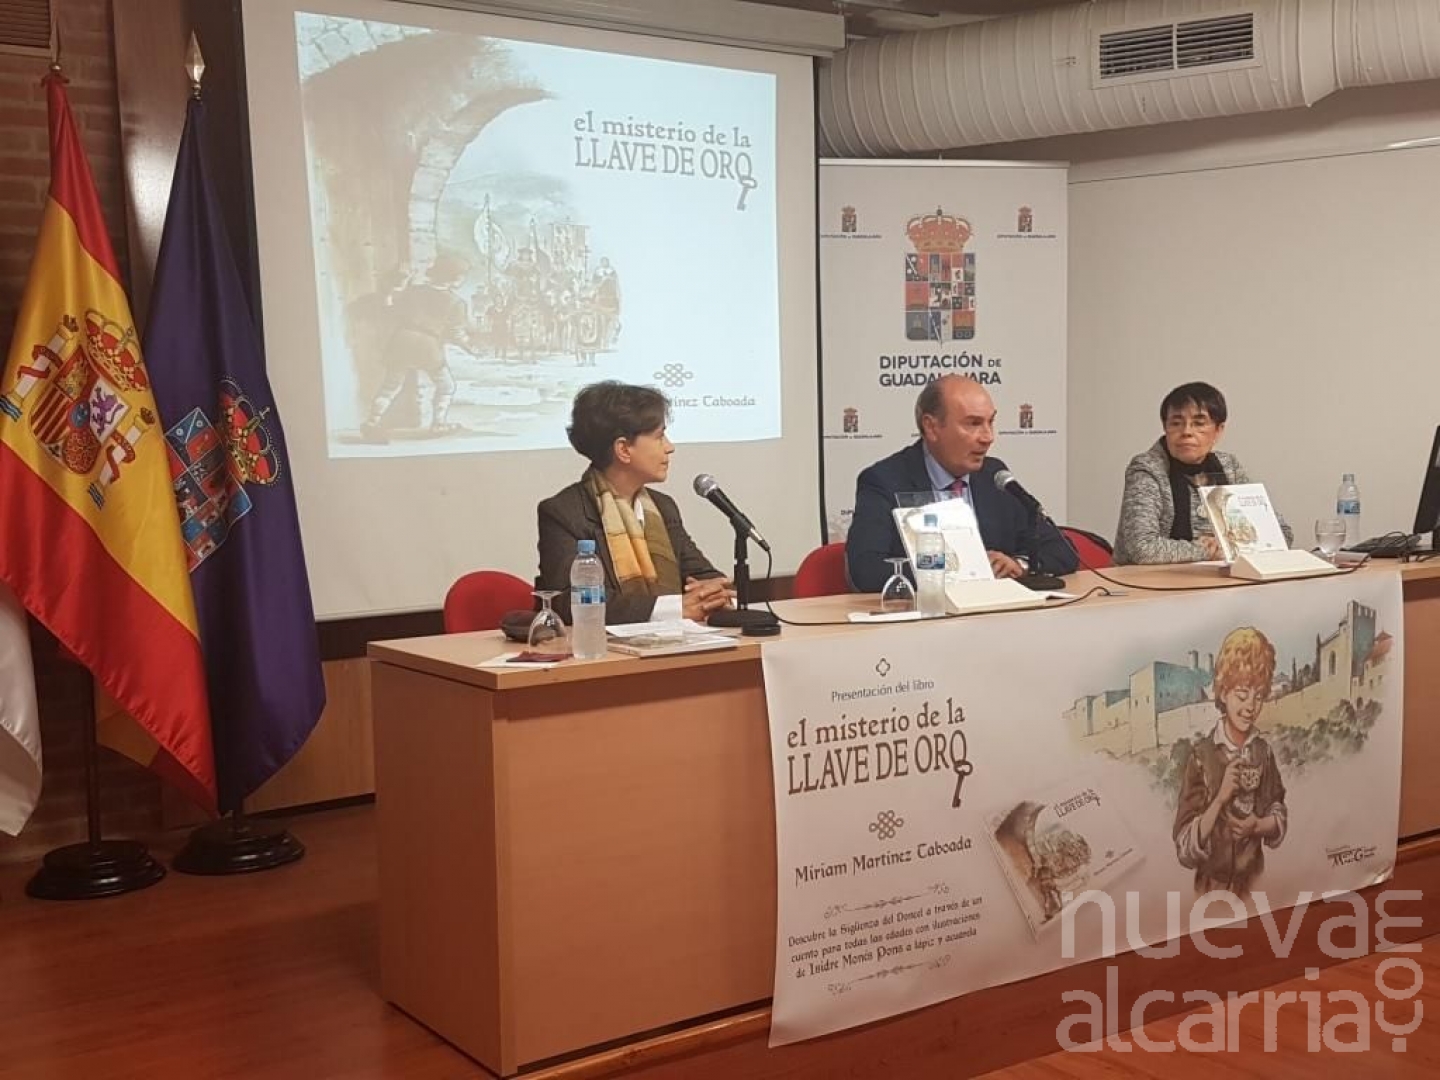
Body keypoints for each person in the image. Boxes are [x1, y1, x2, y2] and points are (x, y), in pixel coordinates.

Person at [845, 374, 1078, 593]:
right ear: (931, 427)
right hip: (927, 615)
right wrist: (963, 568)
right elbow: (866, 569)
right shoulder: (885, 480)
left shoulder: (993, 476)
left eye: (990, 422)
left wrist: (1019, 564)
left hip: (996, 614)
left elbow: (1062, 551)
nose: (988, 437)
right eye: (973, 423)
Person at [537, 382, 734, 624]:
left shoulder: (663, 507)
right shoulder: (565, 513)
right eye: (659, 436)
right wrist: (673, 609)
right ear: (623, 449)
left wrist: (712, 594)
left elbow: (705, 576)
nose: (670, 447)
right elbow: (570, 601)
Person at [1114, 382, 1292, 565]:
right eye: (1176, 423)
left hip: (1215, 576)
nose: (1186, 432)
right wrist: (1207, 550)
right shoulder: (1147, 469)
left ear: (1218, 431)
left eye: (1199, 423)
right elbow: (1142, 549)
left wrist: (1230, 546)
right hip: (1148, 579)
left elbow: (1281, 534)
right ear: (1165, 427)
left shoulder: (1228, 466)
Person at [1173, 626, 1288, 897]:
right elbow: (1184, 848)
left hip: (1256, 885)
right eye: (1242, 694)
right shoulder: (1201, 757)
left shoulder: (1263, 752)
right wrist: (1219, 800)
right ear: (1223, 693)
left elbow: (1278, 809)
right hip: (1210, 890)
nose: (1251, 706)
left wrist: (1258, 826)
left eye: (1258, 696)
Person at [360, 254, 471, 442]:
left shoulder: (413, 291)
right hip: (428, 345)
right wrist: (470, 348)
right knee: (446, 386)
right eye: (462, 276)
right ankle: (438, 424)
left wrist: (391, 291)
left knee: (390, 386)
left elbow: (391, 309)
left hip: (402, 340)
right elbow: (457, 334)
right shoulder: (457, 303)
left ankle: (372, 423)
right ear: (455, 278)